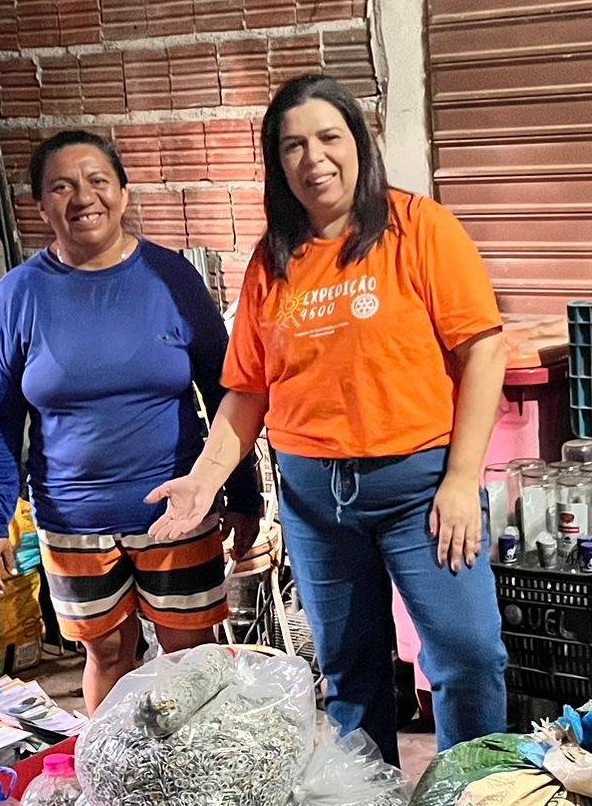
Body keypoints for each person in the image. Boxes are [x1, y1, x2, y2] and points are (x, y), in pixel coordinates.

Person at [147, 74, 508, 763]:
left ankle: (470, 803)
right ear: (278, 163)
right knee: (349, 672)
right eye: (293, 146)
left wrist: (463, 480)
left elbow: (484, 350)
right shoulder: (272, 261)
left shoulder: (418, 228)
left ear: (358, 143)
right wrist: (204, 478)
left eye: (328, 137)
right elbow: (247, 391)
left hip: (422, 490)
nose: (314, 158)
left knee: (467, 655)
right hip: (316, 502)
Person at [0, 129, 262, 713]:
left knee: (190, 654)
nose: (83, 198)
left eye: (98, 181)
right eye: (62, 187)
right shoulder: (18, 295)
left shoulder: (172, 278)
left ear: (124, 194)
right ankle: (111, 766)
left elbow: (228, 392)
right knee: (106, 653)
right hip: (71, 517)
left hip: (176, 512)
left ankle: (199, 766)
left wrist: (241, 493)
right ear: (41, 206)